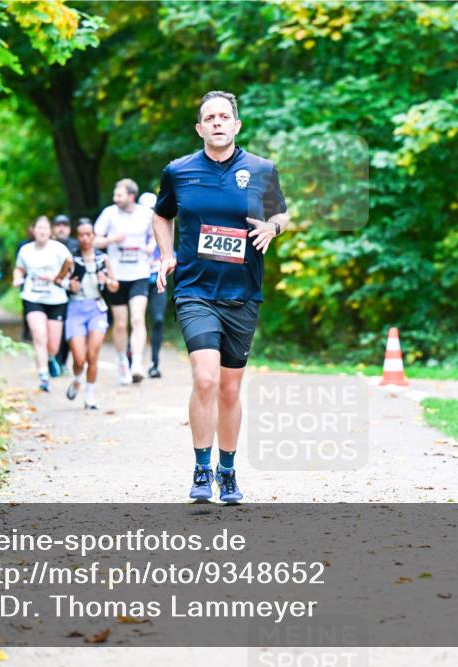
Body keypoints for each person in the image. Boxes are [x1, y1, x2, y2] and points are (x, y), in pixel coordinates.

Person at [152, 90, 289, 503]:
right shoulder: (178, 171)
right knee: (206, 377)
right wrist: (166, 255)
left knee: (230, 388)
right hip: (195, 290)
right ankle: (201, 467)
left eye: (223, 116)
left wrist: (273, 228)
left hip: (243, 292)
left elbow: (281, 212)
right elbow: (161, 214)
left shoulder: (262, 169)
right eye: (209, 117)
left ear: (236, 125)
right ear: (199, 128)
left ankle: (227, 471)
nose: (216, 122)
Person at [93, 179, 155, 385]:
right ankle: (122, 362)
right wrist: (111, 240)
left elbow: (158, 232)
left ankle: (136, 364)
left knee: (137, 319)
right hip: (116, 276)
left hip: (139, 273)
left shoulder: (146, 214)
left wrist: (151, 246)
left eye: (119, 195)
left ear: (131, 196)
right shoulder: (109, 213)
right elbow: (94, 240)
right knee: (120, 323)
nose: (115, 198)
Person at [12, 216, 73, 392]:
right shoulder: (25, 250)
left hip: (56, 299)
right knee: (39, 337)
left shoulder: (59, 249)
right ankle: (43, 376)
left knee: (53, 345)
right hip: (33, 298)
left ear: (50, 231)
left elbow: (70, 266)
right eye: (39, 228)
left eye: (45, 228)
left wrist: (57, 278)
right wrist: (17, 278)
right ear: (33, 230)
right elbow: (19, 268)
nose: (42, 231)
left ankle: (50, 358)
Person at [64, 221, 119, 409]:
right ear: (77, 237)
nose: (85, 238)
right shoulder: (71, 259)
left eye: (89, 234)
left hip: (96, 308)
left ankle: (89, 396)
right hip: (75, 309)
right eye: (81, 235)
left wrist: (107, 280)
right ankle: (77, 378)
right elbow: (58, 279)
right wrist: (68, 285)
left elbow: (114, 286)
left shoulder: (103, 259)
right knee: (79, 358)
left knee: (92, 355)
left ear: (94, 236)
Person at [139, 192, 165, 379]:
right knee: (137, 319)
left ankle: (154, 364)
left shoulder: (162, 229)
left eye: (152, 210)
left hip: (157, 279)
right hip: (137, 280)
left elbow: (172, 253)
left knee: (157, 319)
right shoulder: (134, 231)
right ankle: (133, 359)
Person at [52, 214, 77, 370]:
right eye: (58, 224)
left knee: (68, 328)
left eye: (65, 224)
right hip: (51, 291)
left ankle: (63, 362)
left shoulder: (76, 245)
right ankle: (54, 360)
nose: (62, 227)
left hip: (71, 292)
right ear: (54, 228)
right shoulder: (48, 245)